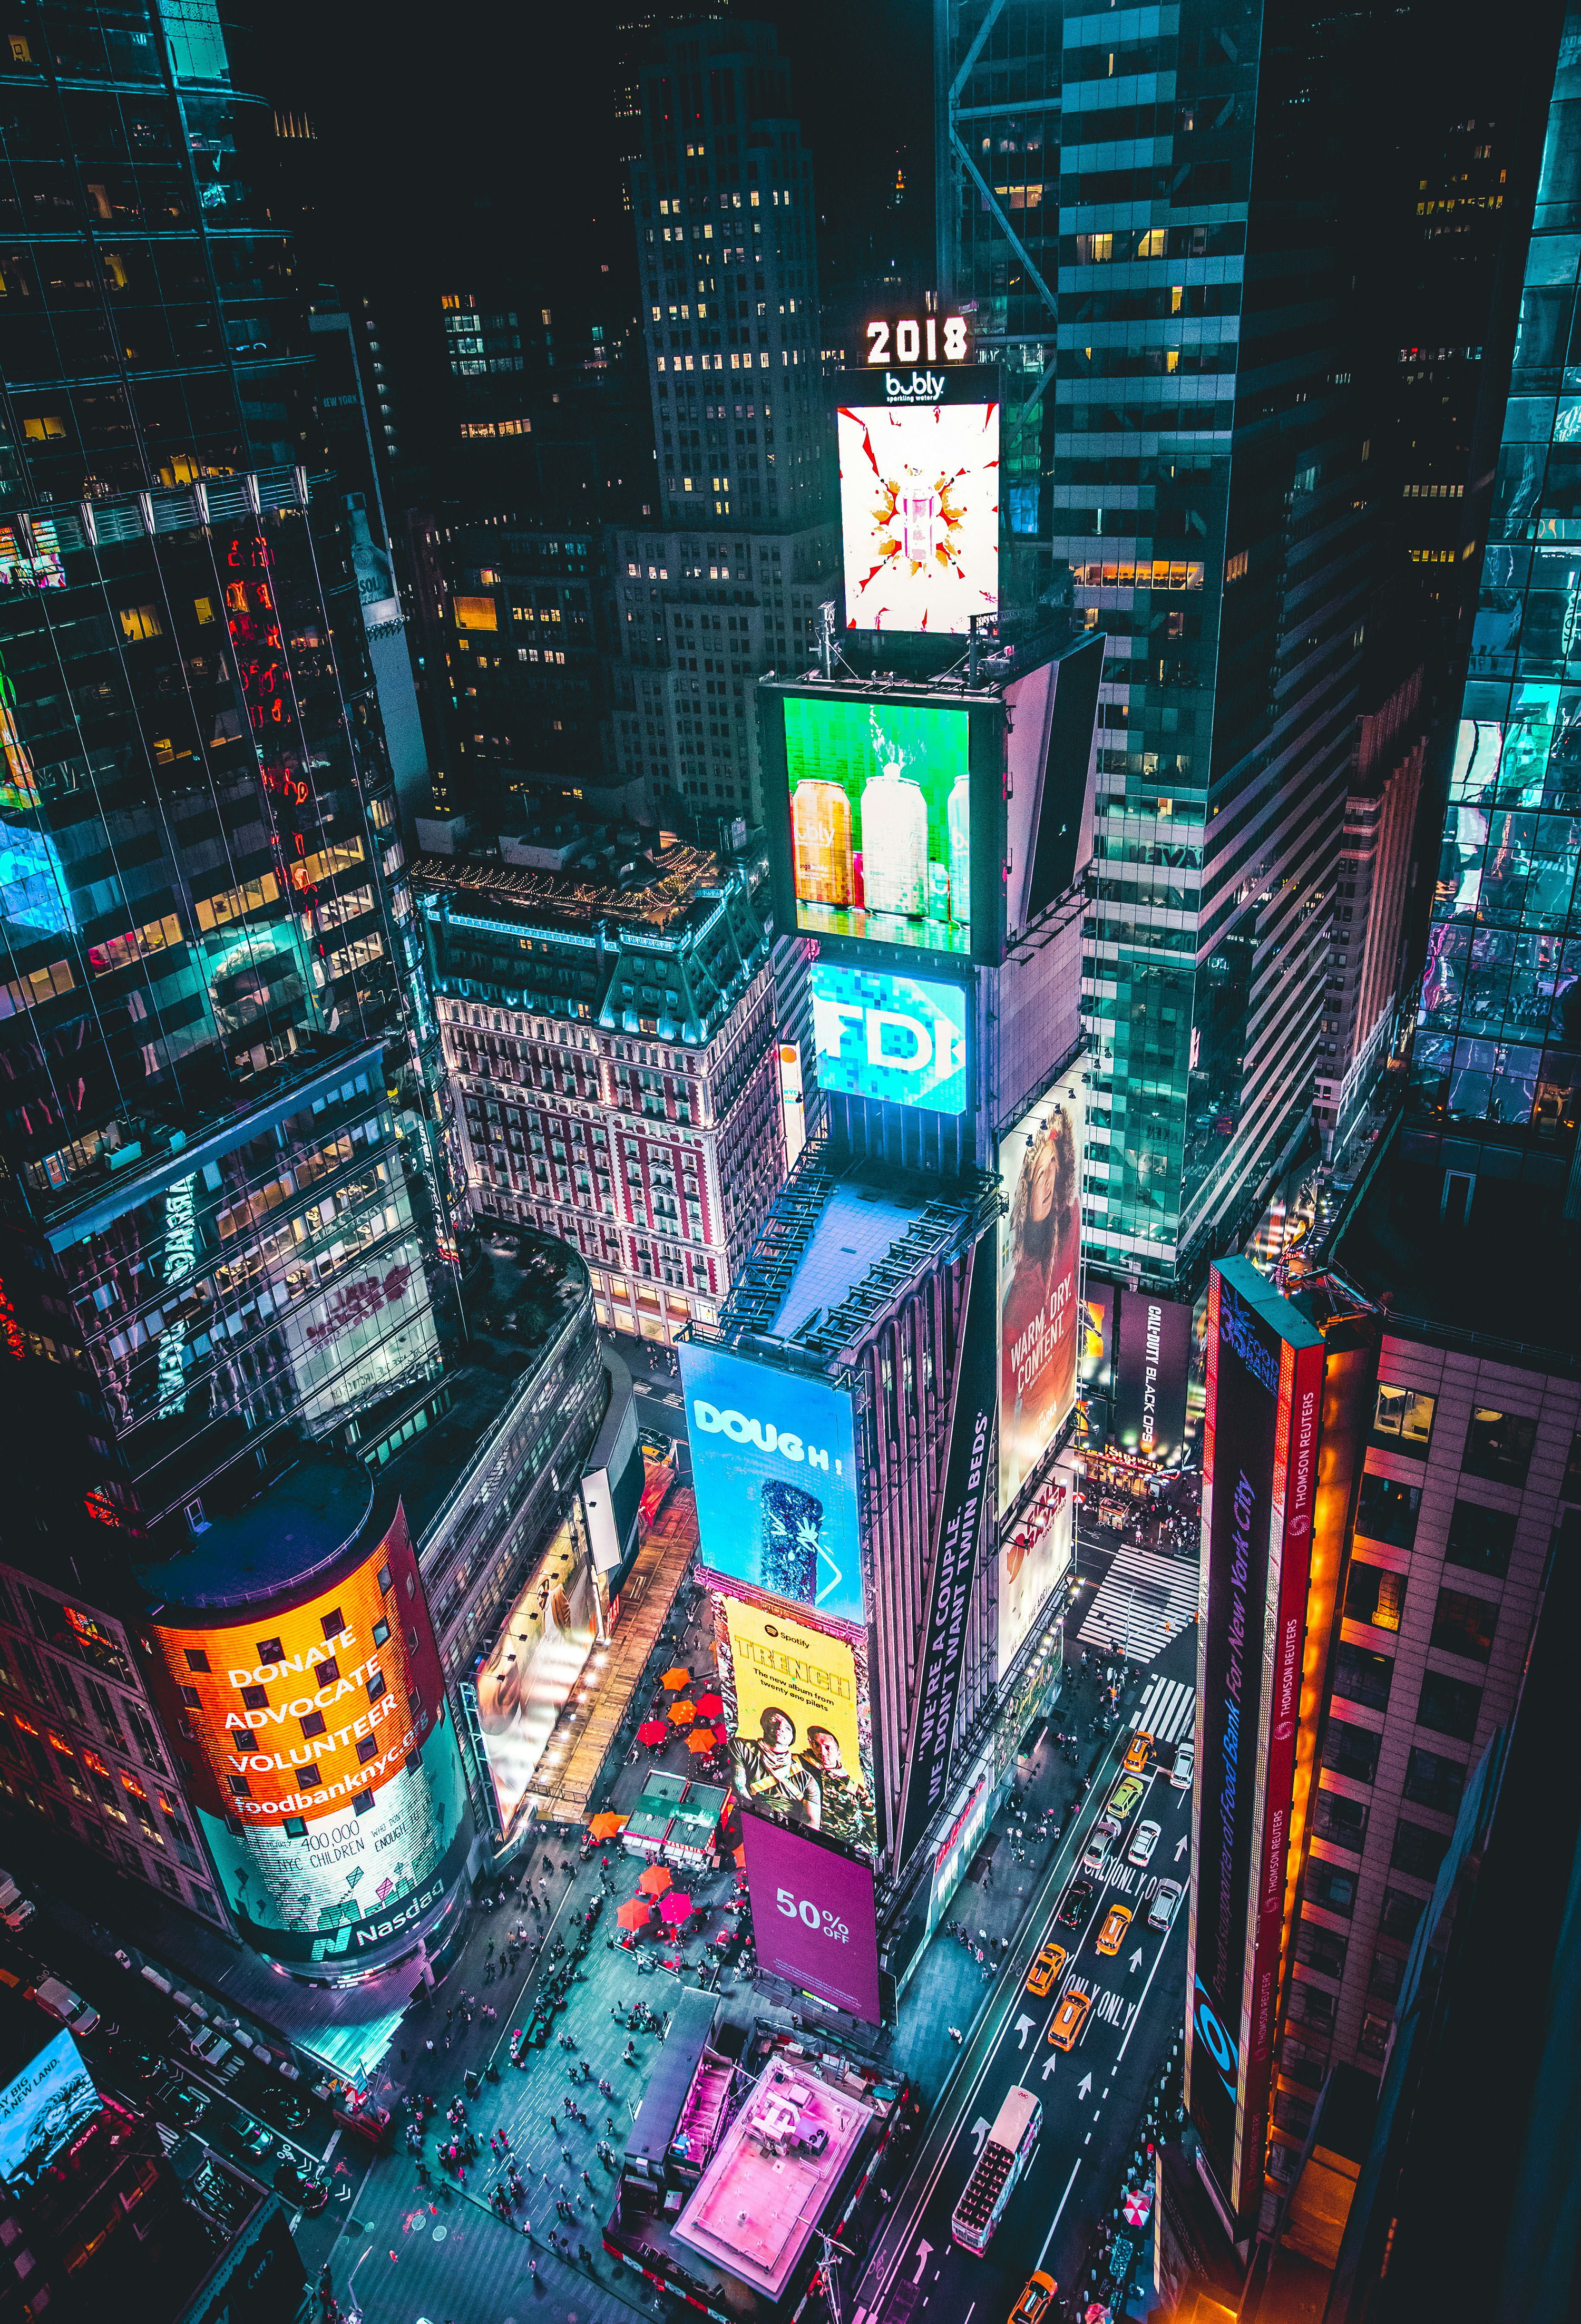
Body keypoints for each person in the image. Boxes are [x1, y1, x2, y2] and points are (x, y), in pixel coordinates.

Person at [730, 1705, 821, 1827]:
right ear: (764, 1723)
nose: (780, 1727)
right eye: (774, 1720)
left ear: (792, 1738)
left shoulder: (808, 1781)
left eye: (787, 1728)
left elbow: (811, 1825)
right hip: (749, 1819)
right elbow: (740, 1788)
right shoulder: (741, 1747)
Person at [797, 1725, 876, 1852]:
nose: (822, 1751)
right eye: (816, 1744)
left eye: (828, 1748)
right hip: (807, 1841)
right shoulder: (799, 1767)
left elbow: (874, 1823)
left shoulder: (855, 1788)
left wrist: (862, 1847)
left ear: (839, 1753)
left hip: (843, 1850)